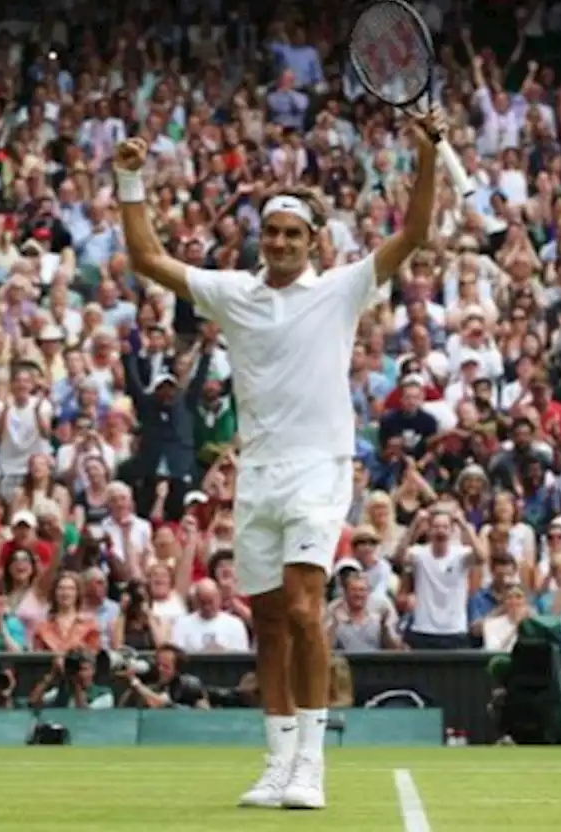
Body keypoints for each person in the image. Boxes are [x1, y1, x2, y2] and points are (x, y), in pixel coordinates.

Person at [112, 106, 443, 811]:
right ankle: (279, 759)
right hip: (256, 474)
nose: (283, 242)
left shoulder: (342, 286)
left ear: (314, 240)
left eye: (295, 233)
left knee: (301, 609)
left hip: (319, 470)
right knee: (265, 619)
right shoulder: (233, 292)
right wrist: (129, 177)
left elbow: (415, 232)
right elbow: (146, 259)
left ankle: (313, 765)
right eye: (274, 232)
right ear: (263, 239)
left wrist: (425, 156)